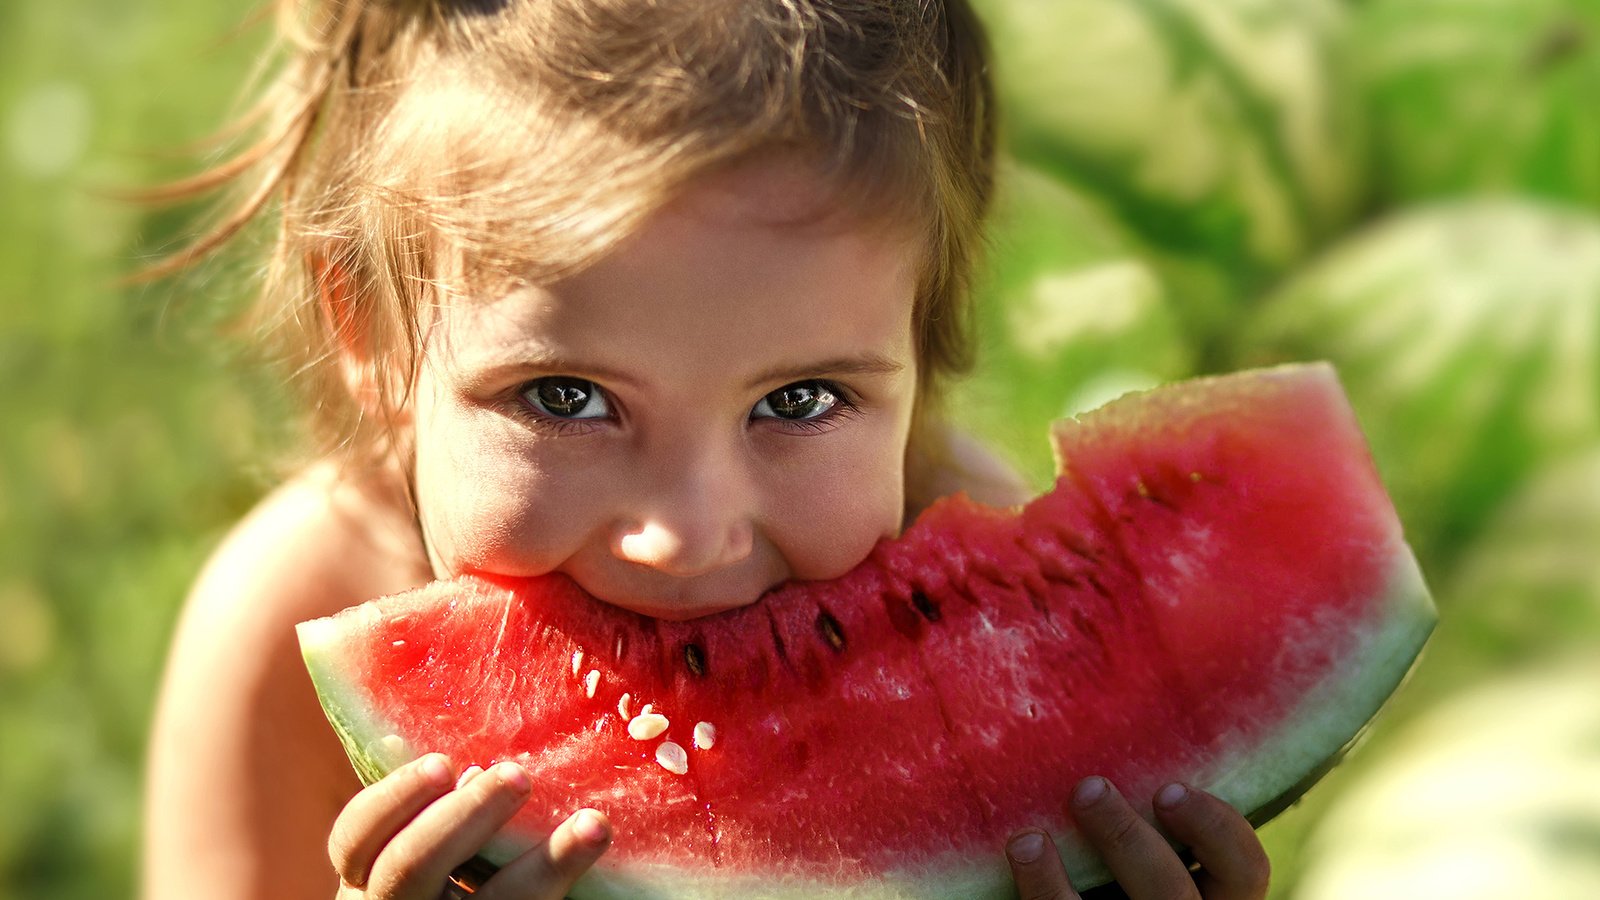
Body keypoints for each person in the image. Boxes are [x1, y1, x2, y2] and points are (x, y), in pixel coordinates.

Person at [140, 1, 1272, 898]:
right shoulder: (289, 613)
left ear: (922, 347)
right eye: (566, 396)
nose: (686, 535)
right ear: (372, 338)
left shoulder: (971, 571)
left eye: (800, 400)